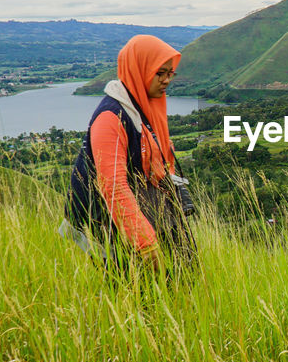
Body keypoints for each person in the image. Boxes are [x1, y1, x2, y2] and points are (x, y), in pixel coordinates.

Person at [62, 34, 195, 272]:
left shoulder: (144, 108)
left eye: (170, 73)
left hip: (137, 215)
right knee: (139, 295)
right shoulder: (111, 117)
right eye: (160, 72)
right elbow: (113, 186)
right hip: (109, 224)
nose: (166, 80)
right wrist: (146, 244)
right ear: (140, 69)